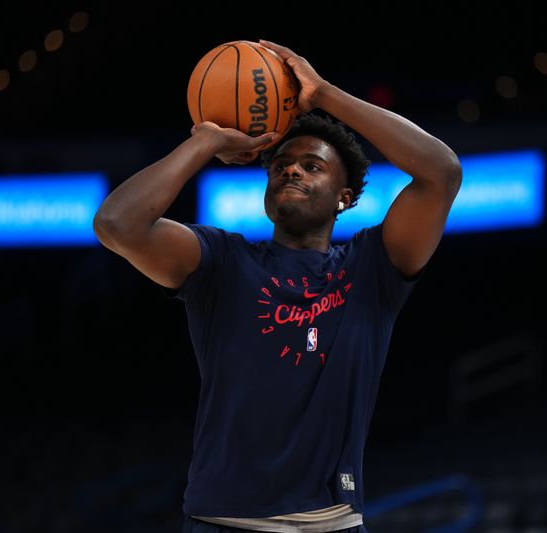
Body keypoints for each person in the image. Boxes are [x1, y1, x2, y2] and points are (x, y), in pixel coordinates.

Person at [93, 39, 462, 533]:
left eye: (313, 166)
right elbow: (117, 223)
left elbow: (440, 172)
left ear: (344, 198)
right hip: (222, 522)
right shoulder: (221, 262)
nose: (291, 168)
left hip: (332, 522)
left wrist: (326, 95)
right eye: (281, 164)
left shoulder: (371, 269)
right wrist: (204, 141)